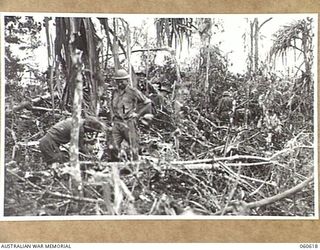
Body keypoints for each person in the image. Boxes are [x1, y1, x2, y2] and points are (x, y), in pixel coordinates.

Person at [110, 69, 152, 160]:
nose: (119, 84)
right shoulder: (114, 92)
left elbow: (148, 103)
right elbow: (111, 105)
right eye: (117, 82)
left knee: (134, 148)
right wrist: (112, 116)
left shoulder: (133, 92)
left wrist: (137, 114)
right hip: (117, 123)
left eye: (121, 81)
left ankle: (136, 170)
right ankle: (116, 169)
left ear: (127, 81)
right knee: (112, 147)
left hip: (129, 122)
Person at [39, 116, 104, 165]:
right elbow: (80, 145)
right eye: (92, 131)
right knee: (59, 163)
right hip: (49, 144)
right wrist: (90, 156)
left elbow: (76, 139)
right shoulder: (79, 128)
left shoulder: (78, 122)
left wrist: (88, 141)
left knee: (58, 162)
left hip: (48, 142)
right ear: (88, 127)